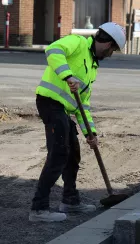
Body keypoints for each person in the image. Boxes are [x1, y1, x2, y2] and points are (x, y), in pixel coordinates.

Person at [29, 22, 127, 222]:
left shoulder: (92, 66)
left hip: (63, 109)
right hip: (49, 102)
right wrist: (67, 75)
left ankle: (70, 201)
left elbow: (84, 104)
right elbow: (53, 49)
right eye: (113, 50)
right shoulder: (78, 42)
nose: (111, 54)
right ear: (107, 44)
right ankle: (39, 209)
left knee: (73, 153)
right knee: (59, 152)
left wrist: (90, 133)